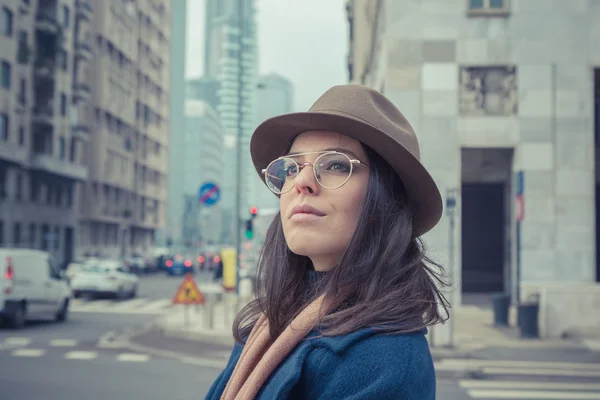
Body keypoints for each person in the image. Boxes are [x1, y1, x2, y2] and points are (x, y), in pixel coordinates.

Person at [205, 84, 449, 400]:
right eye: (291, 168)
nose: (301, 182)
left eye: (336, 165)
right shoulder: (270, 325)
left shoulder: (386, 360)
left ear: (386, 198)